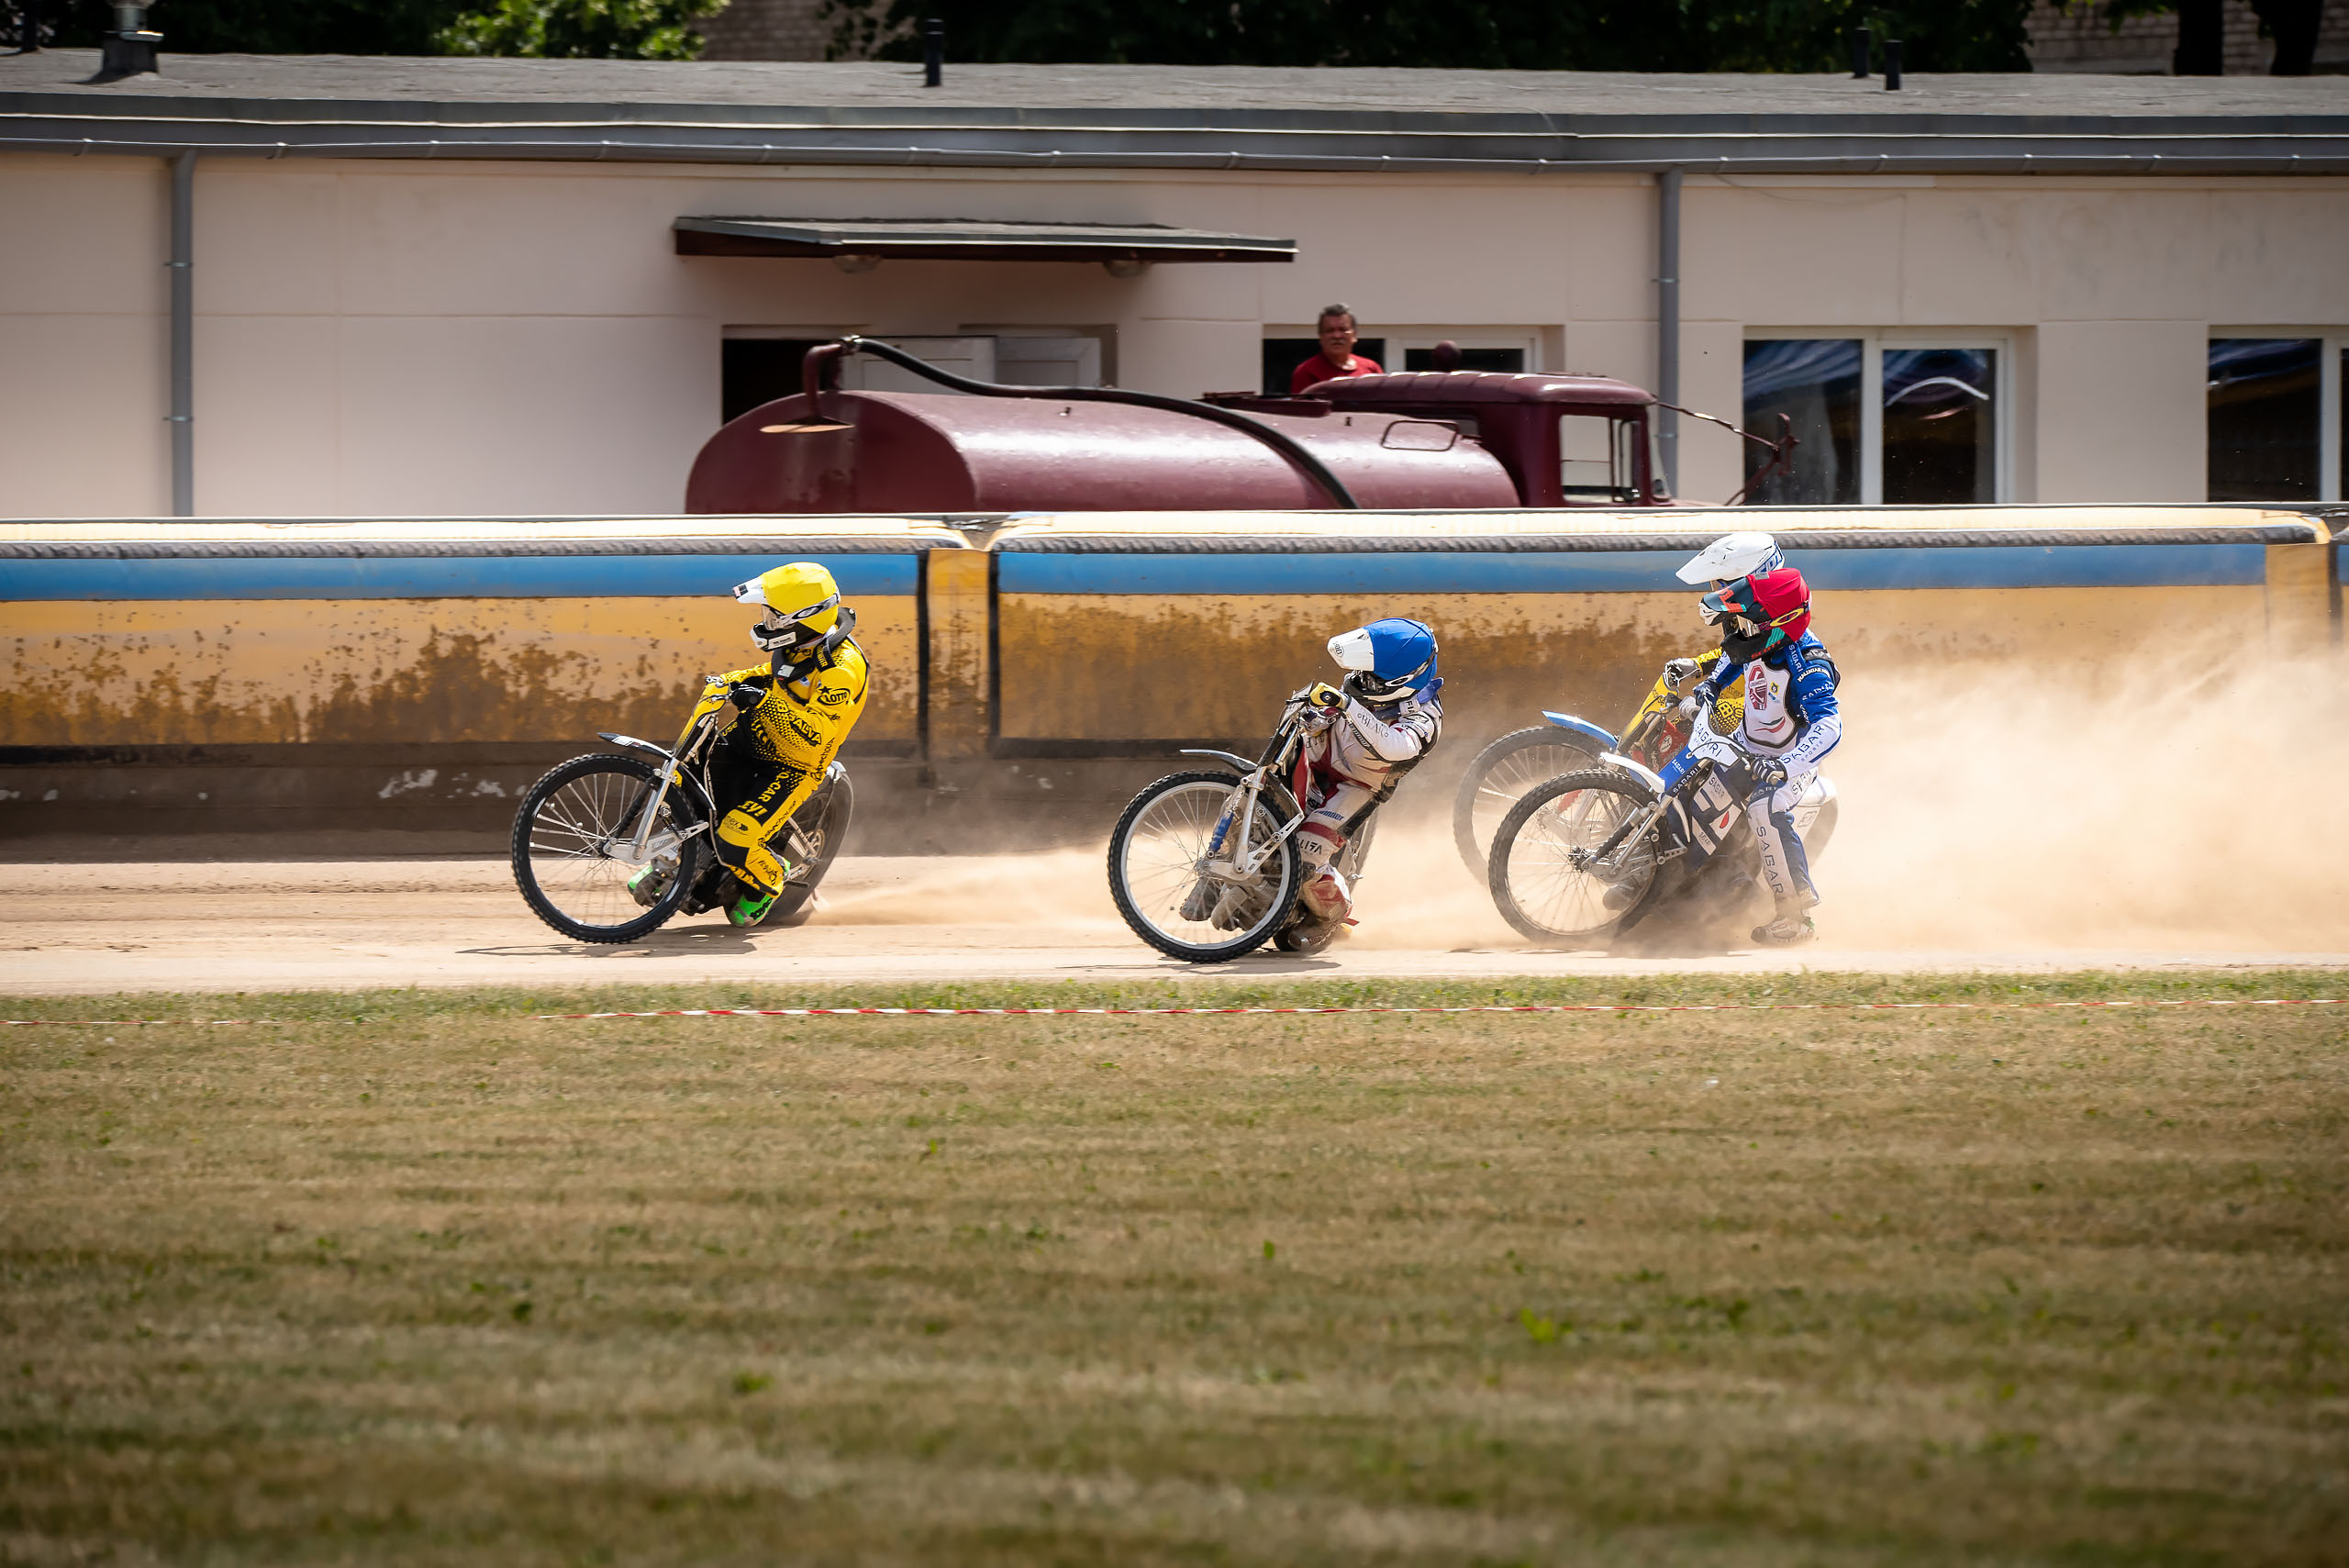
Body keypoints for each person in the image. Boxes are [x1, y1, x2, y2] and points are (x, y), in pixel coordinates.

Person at [640, 561, 869, 928]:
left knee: (734, 837)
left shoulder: (842, 669)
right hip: (750, 741)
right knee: (687, 788)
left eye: (775, 616)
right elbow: (770, 674)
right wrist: (728, 682)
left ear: (804, 618)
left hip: (794, 766)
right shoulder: (802, 644)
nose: (767, 623)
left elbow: (818, 734)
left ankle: (771, 879)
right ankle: (679, 862)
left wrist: (763, 703)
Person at [1660, 533, 1841, 947]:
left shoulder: (1807, 660)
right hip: (1749, 747)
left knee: (1765, 807)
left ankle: (1795, 919)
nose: (1741, 631)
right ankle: (1666, 880)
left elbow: (1829, 726)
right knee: (1695, 786)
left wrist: (1784, 767)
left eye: (1749, 623)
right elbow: (1733, 657)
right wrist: (1709, 687)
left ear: (1774, 621)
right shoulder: (1759, 640)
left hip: (1790, 763)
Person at [1287, 617, 1443, 930]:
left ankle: (1334, 915)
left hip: (1355, 789)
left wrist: (1348, 706)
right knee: (1249, 802)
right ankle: (1210, 888)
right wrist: (1317, 717)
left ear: (1402, 680)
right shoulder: (1369, 688)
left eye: (1370, 678)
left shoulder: (1426, 716)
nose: (1361, 681)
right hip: (1316, 762)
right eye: (1361, 672)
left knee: (1304, 858)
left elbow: (1395, 747)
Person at [1289, 304, 1386, 394]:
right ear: (1321, 336)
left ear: (1354, 335)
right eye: (1330, 330)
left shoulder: (1371, 369)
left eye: (1343, 330)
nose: (1337, 336)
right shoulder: (1307, 372)